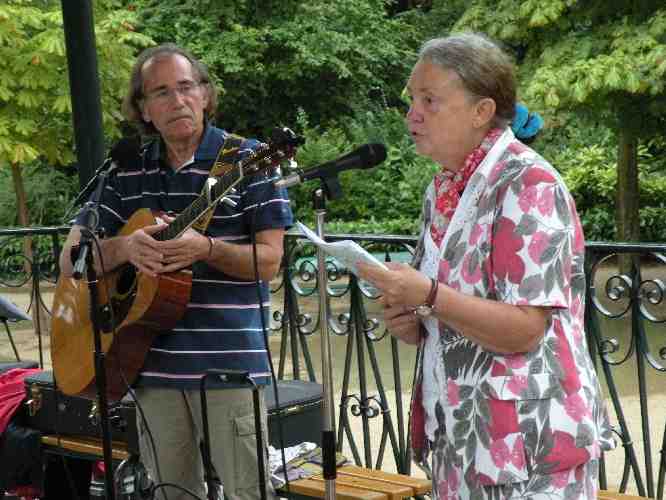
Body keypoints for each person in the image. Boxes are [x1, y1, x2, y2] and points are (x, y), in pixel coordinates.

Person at [358, 33, 614, 499]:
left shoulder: (529, 183)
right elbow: (440, 312)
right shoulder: (441, 190)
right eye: (412, 99)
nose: (412, 114)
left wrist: (429, 296)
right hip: (460, 440)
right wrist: (408, 318)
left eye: (429, 100)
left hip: (531, 450)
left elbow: (524, 329)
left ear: (481, 111)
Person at [59, 43, 293, 500]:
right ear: (144, 109)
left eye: (186, 87)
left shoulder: (245, 160)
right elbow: (72, 261)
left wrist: (204, 248)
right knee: (170, 493)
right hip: (148, 366)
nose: (177, 100)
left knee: (250, 493)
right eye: (161, 92)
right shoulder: (125, 171)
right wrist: (127, 247)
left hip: (229, 369)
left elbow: (268, 262)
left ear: (205, 94)